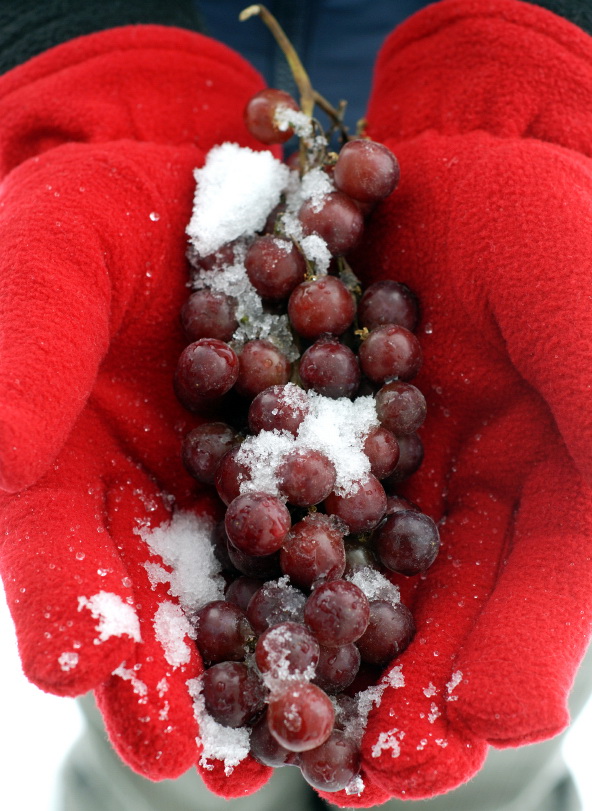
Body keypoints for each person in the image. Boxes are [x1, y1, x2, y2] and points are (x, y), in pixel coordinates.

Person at [0, 1, 590, 809]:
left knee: (479, 728)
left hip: (444, 108)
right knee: (164, 737)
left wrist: (540, 69)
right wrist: (86, 60)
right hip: (187, 108)